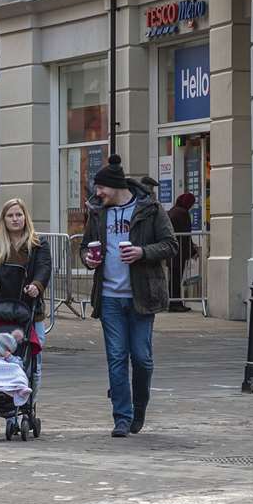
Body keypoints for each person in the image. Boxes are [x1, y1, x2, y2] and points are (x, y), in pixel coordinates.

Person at [82, 154, 176, 437]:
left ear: (114, 186)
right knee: (116, 357)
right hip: (109, 296)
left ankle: (139, 407)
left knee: (142, 358)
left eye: (100, 188)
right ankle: (122, 417)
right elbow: (86, 246)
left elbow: (170, 244)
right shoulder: (98, 212)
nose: (96, 193)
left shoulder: (150, 208)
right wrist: (88, 258)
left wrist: (142, 252)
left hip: (141, 295)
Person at [0, 197, 51, 385]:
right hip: (0, 308)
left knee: (33, 356)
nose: (15, 219)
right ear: (4, 220)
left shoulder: (38, 243)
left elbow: (44, 268)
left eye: (19, 214)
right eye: (10, 216)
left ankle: (29, 401)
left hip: (30, 308)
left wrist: (37, 285)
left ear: (25, 217)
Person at [165, 192, 197, 313]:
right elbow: (186, 235)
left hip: (171, 251)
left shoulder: (173, 210)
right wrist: (193, 251)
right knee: (176, 278)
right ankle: (176, 303)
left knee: (173, 278)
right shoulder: (183, 213)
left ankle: (174, 302)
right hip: (179, 252)